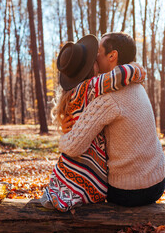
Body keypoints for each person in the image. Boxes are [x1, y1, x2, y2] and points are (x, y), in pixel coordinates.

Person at [40, 34, 146, 212]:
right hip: (88, 172)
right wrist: (138, 68)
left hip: (68, 168)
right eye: (93, 56)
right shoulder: (91, 87)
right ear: (91, 67)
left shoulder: (73, 92)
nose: (97, 56)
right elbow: (124, 74)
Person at [59, 32, 165, 207]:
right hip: (158, 181)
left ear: (112, 56)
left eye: (98, 53)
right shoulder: (136, 84)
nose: (94, 57)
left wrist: (63, 138)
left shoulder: (108, 98)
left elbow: (73, 146)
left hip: (129, 191)